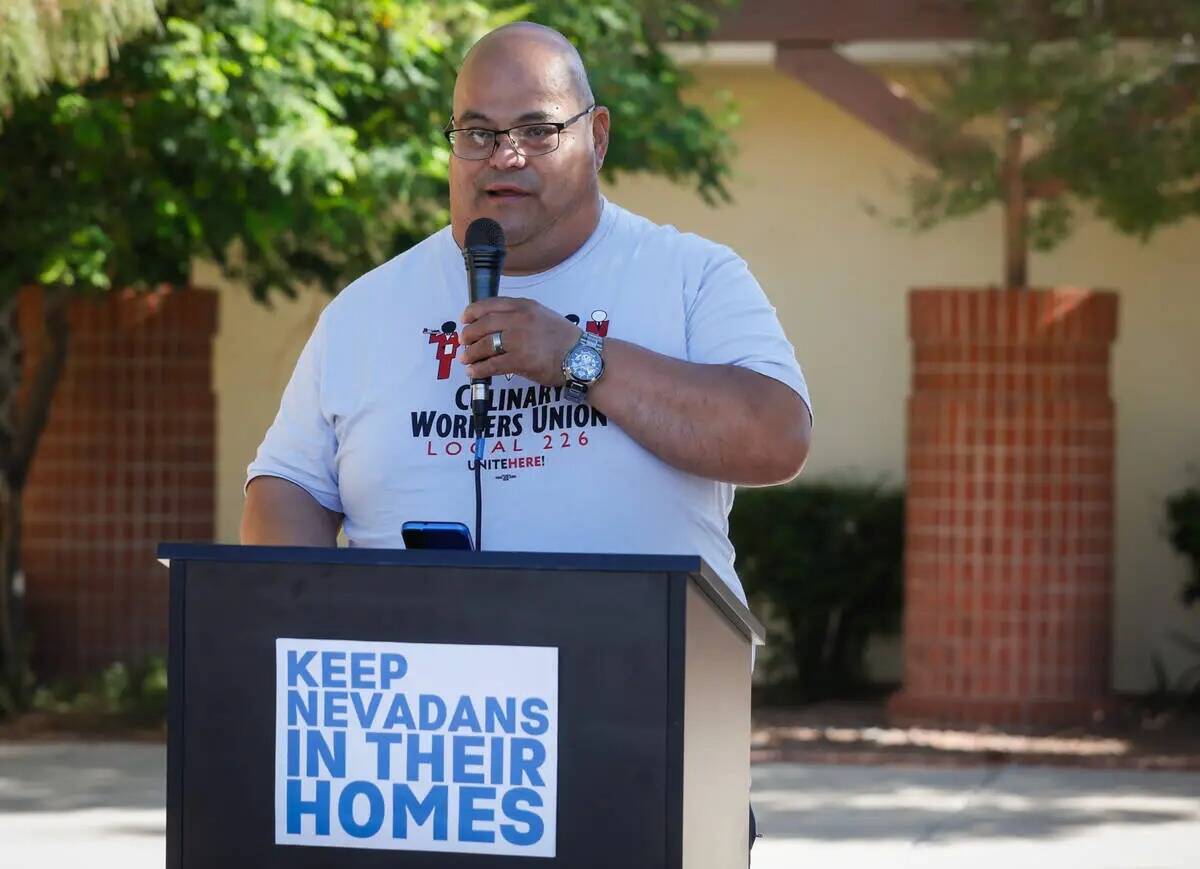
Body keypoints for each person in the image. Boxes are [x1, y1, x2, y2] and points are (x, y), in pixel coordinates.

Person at [241, 21, 812, 858]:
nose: (502, 156)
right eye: (477, 132)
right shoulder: (366, 310)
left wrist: (575, 357)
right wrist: (311, 640)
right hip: (414, 774)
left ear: (598, 135)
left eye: (536, 130)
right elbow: (286, 485)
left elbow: (775, 434)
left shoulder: (691, 278)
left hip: (639, 748)